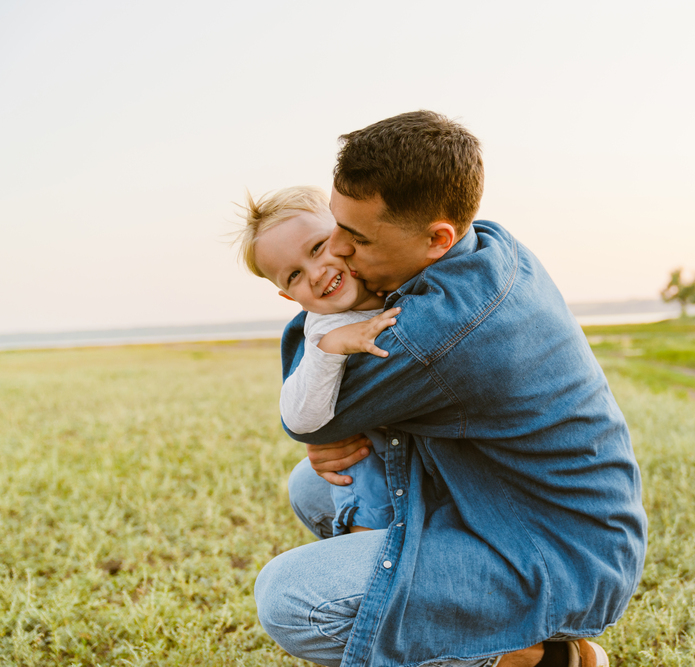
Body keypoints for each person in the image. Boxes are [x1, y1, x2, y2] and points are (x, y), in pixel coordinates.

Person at [253, 110, 648, 667]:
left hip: (554, 557)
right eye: (334, 225)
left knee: (291, 600)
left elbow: (309, 417)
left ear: (436, 237)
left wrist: (331, 417)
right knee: (312, 487)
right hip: (530, 512)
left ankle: (540, 660)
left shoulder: (434, 333)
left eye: (355, 237)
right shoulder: (485, 242)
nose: (336, 250)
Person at [236, 185, 401, 534]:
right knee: (356, 467)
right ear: (287, 295)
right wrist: (330, 348)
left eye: (317, 247)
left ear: (343, 232)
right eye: (294, 275)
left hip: (423, 459)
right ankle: (361, 555)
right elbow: (298, 418)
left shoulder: (392, 277)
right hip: (372, 472)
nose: (315, 273)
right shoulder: (323, 328)